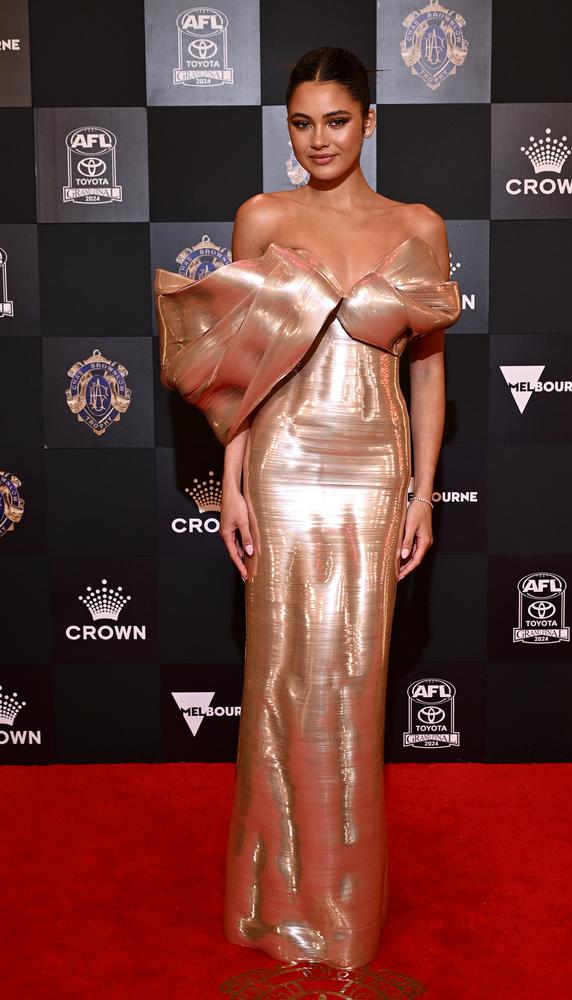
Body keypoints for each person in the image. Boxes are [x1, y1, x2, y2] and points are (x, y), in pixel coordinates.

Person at [154, 46, 460, 971]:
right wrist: (234, 479)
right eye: (301, 121)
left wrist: (424, 491)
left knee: (356, 685)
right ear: (286, 126)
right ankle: (273, 900)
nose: (318, 139)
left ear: (371, 121)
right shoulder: (264, 217)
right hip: (285, 462)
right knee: (280, 672)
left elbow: (431, 368)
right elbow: (235, 367)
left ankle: (345, 910)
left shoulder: (418, 226)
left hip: (373, 466)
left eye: (336, 119)